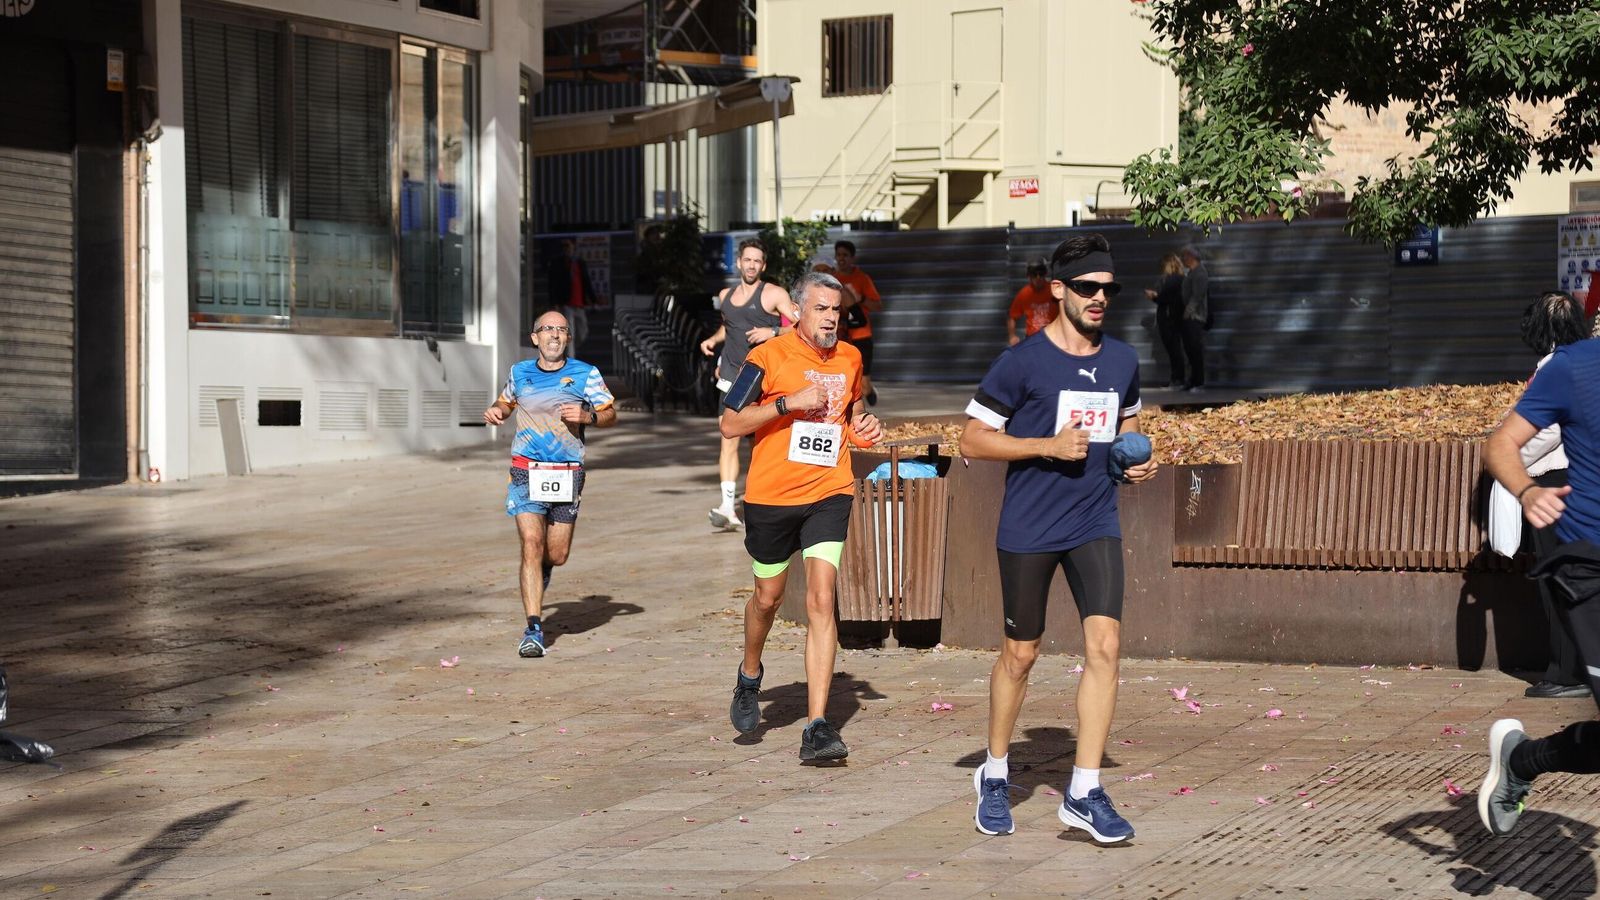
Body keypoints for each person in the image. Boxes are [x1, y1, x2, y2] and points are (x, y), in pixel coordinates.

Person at [959, 233, 1159, 841]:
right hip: (1029, 527)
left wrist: (1138, 461)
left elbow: (1127, 426)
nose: (1100, 298)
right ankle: (995, 772)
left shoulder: (1123, 360)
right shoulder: (1021, 363)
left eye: (1108, 289)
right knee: (1020, 654)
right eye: (1087, 288)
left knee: (1106, 647)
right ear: (1058, 291)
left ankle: (1084, 790)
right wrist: (1044, 444)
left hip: (1095, 521)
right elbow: (971, 439)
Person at [721, 271, 884, 761]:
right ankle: (750, 674)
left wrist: (864, 430)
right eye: (822, 309)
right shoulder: (766, 357)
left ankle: (817, 725)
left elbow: (849, 420)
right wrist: (788, 403)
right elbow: (730, 421)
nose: (832, 318)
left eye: (837, 311)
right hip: (772, 497)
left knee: (820, 597)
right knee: (767, 599)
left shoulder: (851, 358)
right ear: (798, 311)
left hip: (828, 491)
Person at [1481, 307, 1600, 837]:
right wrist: (1527, 492)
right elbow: (1500, 444)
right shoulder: (1572, 368)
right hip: (1588, 564)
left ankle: (1521, 762)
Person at [484, 310, 618, 658]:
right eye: (547, 329)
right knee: (531, 542)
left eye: (561, 329)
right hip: (526, 469)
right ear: (535, 338)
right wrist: (498, 411)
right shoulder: (519, 372)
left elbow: (610, 412)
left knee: (556, 554)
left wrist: (589, 416)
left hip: (566, 472)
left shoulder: (585, 374)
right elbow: (505, 401)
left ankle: (543, 567)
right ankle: (533, 629)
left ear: (567, 338)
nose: (554, 335)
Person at [1515, 292, 1591, 700]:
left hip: (1551, 482)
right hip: (1577, 480)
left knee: (1556, 577)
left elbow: (1541, 429)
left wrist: (1511, 455)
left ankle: (1567, 673)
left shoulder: (1555, 369)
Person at [699, 239, 791, 530]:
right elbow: (729, 326)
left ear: (763, 266)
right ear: (738, 262)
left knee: (760, 445)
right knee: (727, 440)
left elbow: (800, 325)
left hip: (761, 379)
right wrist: (713, 341)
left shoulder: (774, 294)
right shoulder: (726, 294)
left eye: (757, 261)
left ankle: (759, 500)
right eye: (747, 260)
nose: (751, 265)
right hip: (729, 377)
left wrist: (773, 330)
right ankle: (727, 506)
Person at [833, 240, 882, 405]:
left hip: (861, 334)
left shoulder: (862, 278)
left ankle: (868, 389)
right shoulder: (831, 278)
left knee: (864, 380)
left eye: (845, 255)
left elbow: (877, 305)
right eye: (839, 255)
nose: (841, 258)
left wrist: (858, 298)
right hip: (840, 335)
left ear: (852, 258)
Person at [547, 238, 599, 354]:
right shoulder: (557, 263)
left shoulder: (580, 263)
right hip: (566, 303)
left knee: (583, 332)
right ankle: (571, 362)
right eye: (564, 247)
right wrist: (554, 303)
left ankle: (568, 349)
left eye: (569, 247)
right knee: (570, 333)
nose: (567, 249)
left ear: (573, 248)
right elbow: (553, 284)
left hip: (579, 303)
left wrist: (593, 300)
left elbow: (586, 281)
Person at [1145, 252, 1188, 388]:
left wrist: (1154, 297)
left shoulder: (1172, 279)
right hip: (1175, 318)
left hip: (1169, 319)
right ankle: (1177, 379)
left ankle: (1177, 380)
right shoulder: (1181, 278)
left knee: (1174, 351)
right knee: (1175, 350)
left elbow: (1165, 299)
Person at [1179, 246, 1209, 391]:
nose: (1183, 259)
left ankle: (1199, 382)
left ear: (1192, 257)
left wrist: (1188, 311)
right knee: (1190, 350)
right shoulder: (1192, 272)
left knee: (1195, 350)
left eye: (1185, 256)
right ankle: (1191, 381)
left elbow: (1198, 295)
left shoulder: (1200, 273)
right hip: (1189, 316)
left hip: (1195, 317)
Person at [1007, 258, 1057, 346]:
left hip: (1053, 339)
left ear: (1045, 274)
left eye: (1041, 274)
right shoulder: (1024, 294)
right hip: (1032, 340)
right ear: (1029, 276)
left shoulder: (1054, 290)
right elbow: (1012, 317)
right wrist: (1012, 336)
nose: (1038, 278)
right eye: (1034, 274)